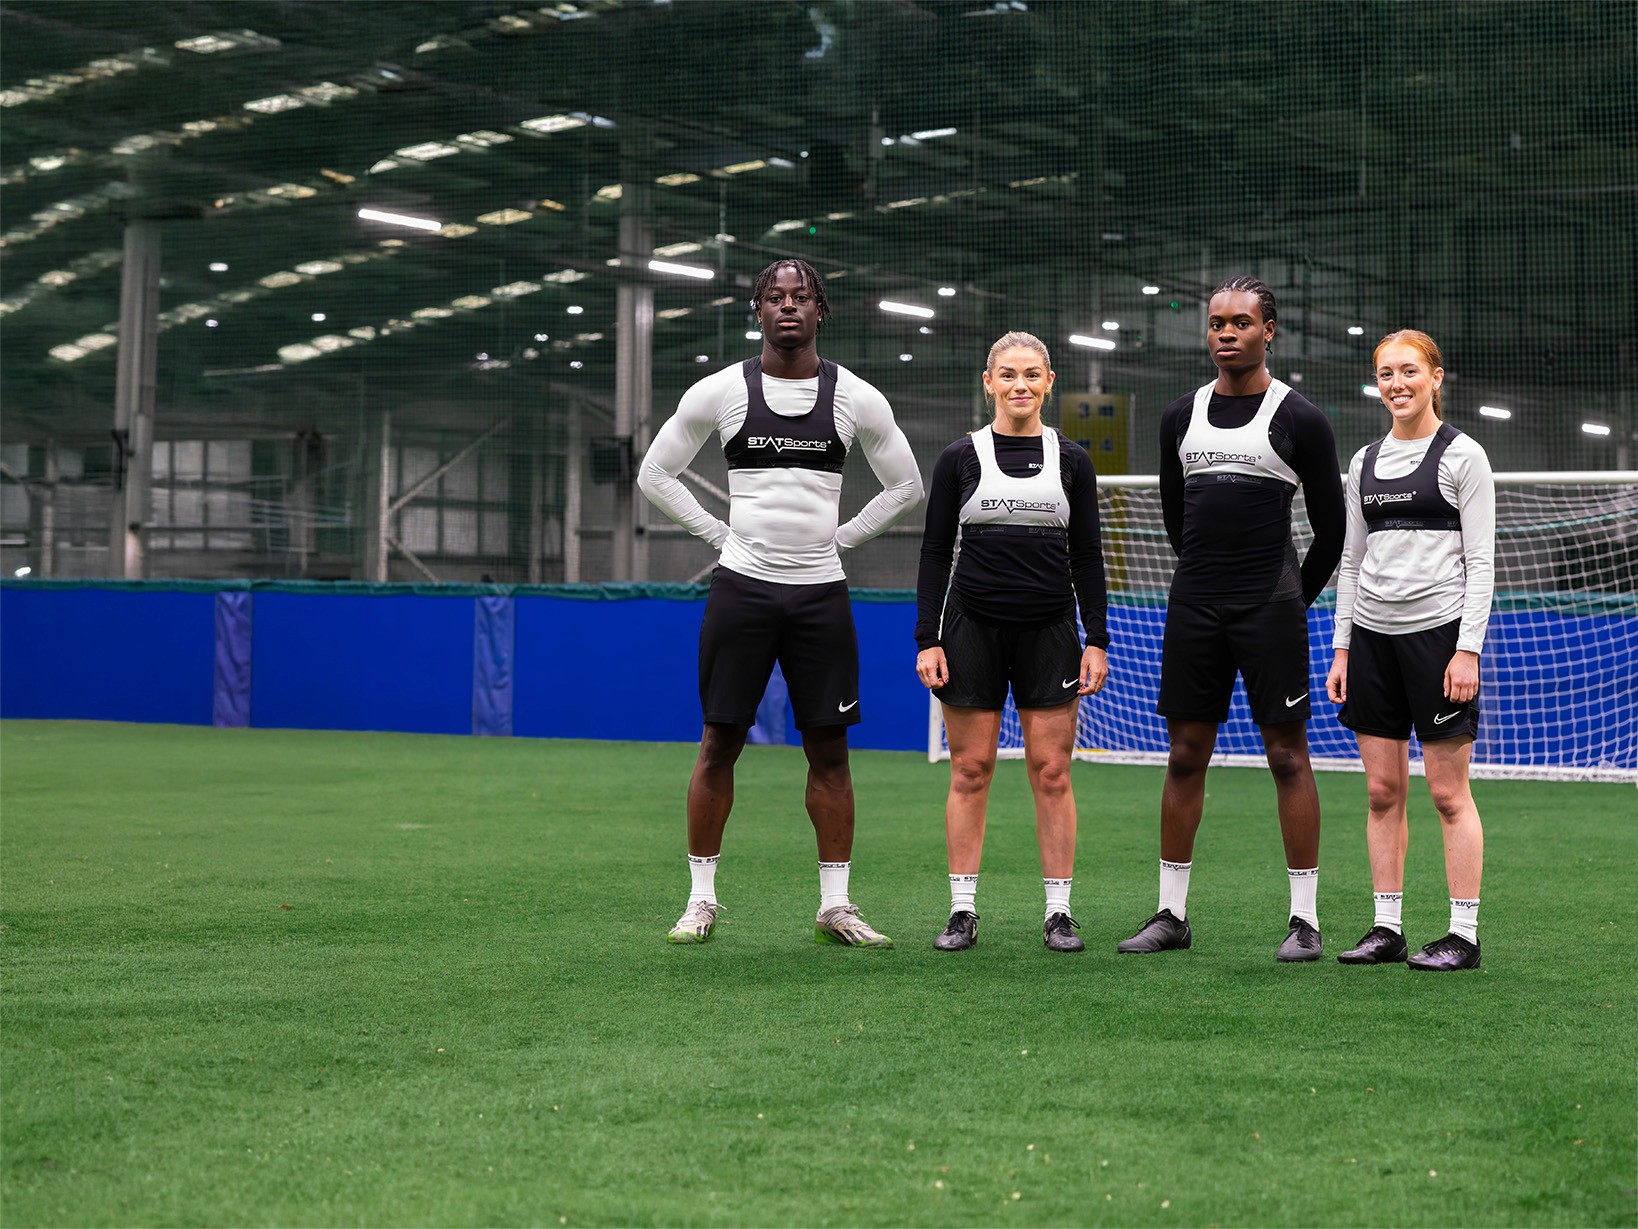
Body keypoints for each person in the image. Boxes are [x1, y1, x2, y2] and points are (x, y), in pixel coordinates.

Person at [637, 258, 924, 948]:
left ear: (821, 310)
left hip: (820, 596)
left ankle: (836, 906)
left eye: (800, 297)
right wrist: (718, 534)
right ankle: (700, 901)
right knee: (718, 744)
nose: (788, 306)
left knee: (830, 751)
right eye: (775, 297)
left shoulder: (856, 397)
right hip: (741, 590)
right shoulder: (720, 391)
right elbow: (654, 473)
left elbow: (907, 486)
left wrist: (842, 538)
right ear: (758, 311)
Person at [1118, 276, 1345, 961]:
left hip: (1270, 607)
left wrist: (1289, 601)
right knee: (1185, 753)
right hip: (1194, 607)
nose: (1226, 332)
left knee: (1286, 756)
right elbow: (1176, 519)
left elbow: (1332, 531)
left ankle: (1304, 920)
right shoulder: (1178, 417)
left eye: (1241, 322)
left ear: (1268, 330)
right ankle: (1171, 914)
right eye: (1217, 322)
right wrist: (1209, 586)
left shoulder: (1300, 418)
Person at [914, 332, 1110, 953]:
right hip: (970, 630)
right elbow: (934, 553)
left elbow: (1088, 556)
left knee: (1052, 772)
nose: (1019, 385)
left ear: (1049, 382)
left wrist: (1096, 638)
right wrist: (927, 638)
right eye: (1007, 375)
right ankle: (962, 911)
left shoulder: (1072, 460)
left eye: (1030, 375)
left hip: (1050, 633)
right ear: (989, 382)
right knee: (970, 770)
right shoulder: (959, 458)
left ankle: (1059, 913)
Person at [1326, 329, 1494, 971]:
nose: (1397, 385)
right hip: (1371, 642)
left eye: (1409, 371)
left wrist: (1466, 650)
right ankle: (1387, 927)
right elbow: (1351, 560)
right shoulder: (1364, 462)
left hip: (1439, 642)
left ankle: (1463, 935)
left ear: (1435, 377)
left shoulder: (1463, 456)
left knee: (1448, 795)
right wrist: (1342, 650)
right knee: (1381, 792)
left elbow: (1481, 563)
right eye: (1386, 374)